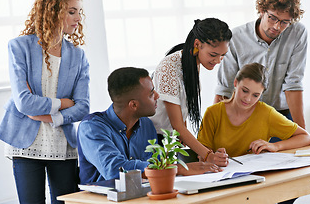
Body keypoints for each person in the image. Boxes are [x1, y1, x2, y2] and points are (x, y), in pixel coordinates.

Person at [0, 0, 90, 204]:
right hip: (25, 144)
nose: (78, 18)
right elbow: (24, 103)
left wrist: (50, 117)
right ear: (54, 10)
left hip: (63, 145)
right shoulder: (19, 47)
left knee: (66, 202)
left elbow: (83, 107)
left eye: (79, 12)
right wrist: (64, 103)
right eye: (71, 11)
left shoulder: (78, 56)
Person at [214, 0, 310, 145]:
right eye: (272, 18)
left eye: (285, 22)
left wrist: (304, 136)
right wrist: (215, 136)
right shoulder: (236, 37)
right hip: (245, 116)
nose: (277, 27)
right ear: (261, 10)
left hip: (281, 116)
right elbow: (224, 89)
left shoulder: (297, 33)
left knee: (291, 163)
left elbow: (293, 84)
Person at [77, 67, 222, 184]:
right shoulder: (91, 128)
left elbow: (156, 165)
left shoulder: (147, 125)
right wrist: (178, 169)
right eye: (151, 93)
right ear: (133, 104)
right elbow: (115, 170)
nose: (158, 96)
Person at [149, 18, 232, 167]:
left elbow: (181, 109)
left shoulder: (192, 62)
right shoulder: (169, 67)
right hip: (151, 141)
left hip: (168, 139)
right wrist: (208, 155)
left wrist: (199, 151)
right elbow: (177, 125)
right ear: (197, 45)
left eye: (223, 55)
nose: (218, 61)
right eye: (213, 55)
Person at [199, 63, 310, 160]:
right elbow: (200, 151)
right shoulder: (213, 112)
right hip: (220, 176)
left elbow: (305, 137)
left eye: (255, 95)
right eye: (244, 91)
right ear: (235, 83)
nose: (248, 99)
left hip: (256, 176)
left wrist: (275, 146)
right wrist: (213, 157)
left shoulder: (266, 113)